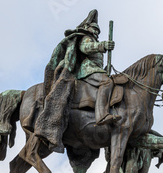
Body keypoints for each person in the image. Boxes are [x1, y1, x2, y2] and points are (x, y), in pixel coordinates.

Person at [33, 9, 120, 153]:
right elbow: (86, 48)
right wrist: (103, 46)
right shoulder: (85, 38)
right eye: (94, 29)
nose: (97, 32)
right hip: (86, 71)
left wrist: (105, 69)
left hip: (94, 70)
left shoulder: (93, 39)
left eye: (98, 30)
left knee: (109, 80)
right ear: (87, 28)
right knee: (107, 83)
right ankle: (102, 115)